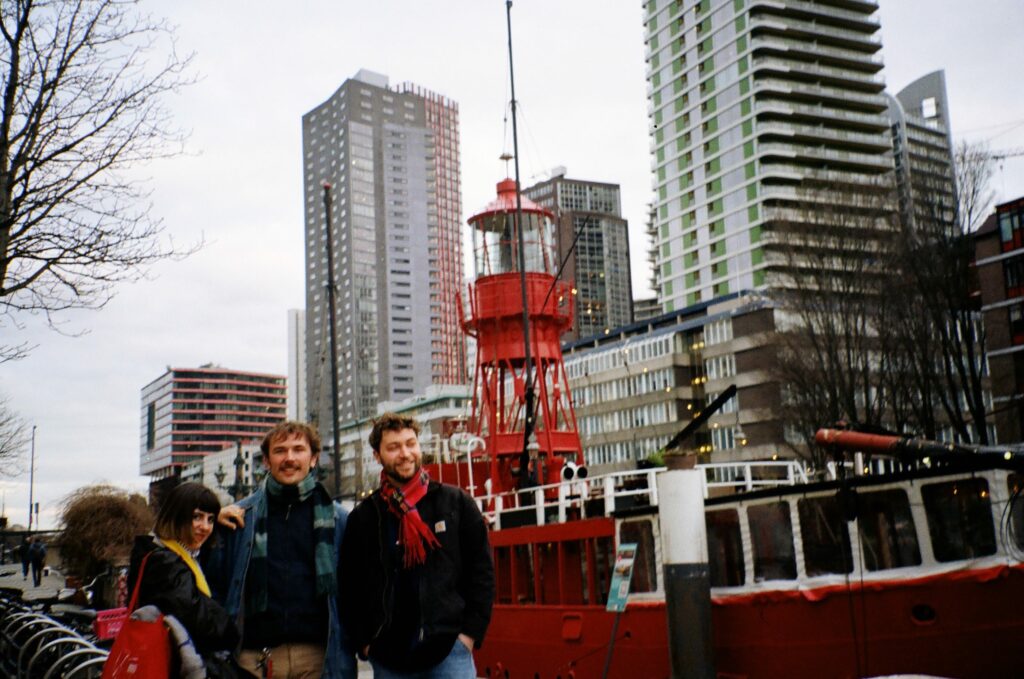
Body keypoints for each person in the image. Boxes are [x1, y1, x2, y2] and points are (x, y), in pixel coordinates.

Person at [340, 412, 495, 678]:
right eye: (393, 447)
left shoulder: (455, 503)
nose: (405, 453)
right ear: (377, 456)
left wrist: (468, 635)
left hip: (449, 652)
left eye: (410, 444)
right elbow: (349, 585)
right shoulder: (364, 516)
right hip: (389, 656)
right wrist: (365, 643)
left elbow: (481, 573)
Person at [206, 422, 355, 679]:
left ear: (314, 458)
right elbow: (214, 587)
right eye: (280, 451)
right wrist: (209, 520)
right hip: (251, 659)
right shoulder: (238, 518)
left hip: (318, 657)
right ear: (266, 460)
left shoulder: (339, 520)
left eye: (298, 449)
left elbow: (354, 591)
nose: (289, 458)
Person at [128, 482, 239, 674]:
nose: (205, 527)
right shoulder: (166, 564)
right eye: (197, 517)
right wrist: (233, 630)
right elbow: (200, 622)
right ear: (177, 515)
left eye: (211, 519)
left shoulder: (162, 552)